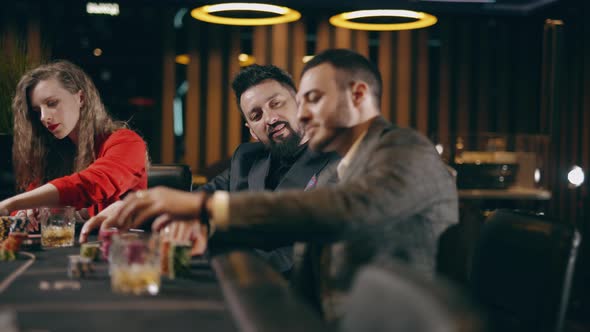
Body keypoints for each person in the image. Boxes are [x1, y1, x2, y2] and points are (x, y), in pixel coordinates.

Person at [107, 49, 458, 320]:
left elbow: (340, 210)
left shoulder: (405, 151)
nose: (301, 113)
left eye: (314, 99)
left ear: (358, 96)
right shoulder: (307, 155)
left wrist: (207, 211)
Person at [80, 64, 338, 273]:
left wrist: (208, 240)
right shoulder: (246, 158)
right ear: (251, 130)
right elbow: (196, 200)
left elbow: (294, 257)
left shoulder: (338, 163)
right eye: (256, 115)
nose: (270, 119)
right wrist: (133, 205)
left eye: (276, 103)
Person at [0, 60, 147, 228]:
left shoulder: (127, 142)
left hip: (118, 248)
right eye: (37, 111)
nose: (43, 117)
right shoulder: (55, 153)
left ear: (81, 98)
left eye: (52, 103)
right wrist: (22, 213)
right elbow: (30, 199)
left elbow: (91, 185)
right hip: (66, 250)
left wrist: (11, 203)